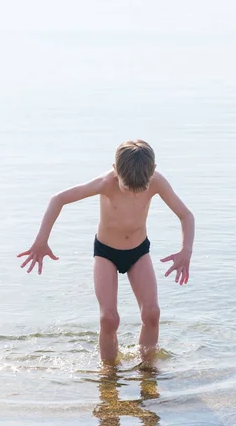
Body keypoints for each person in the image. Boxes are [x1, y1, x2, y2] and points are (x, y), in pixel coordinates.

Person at [17, 140, 194, 365]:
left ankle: (148, 370)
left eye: (140, 189)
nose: (133, 194)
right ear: (115, 169)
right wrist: (41, 240)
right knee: (109, 319)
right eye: (126, 188)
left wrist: (185, 250)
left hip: (139, 252)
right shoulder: (104, 183)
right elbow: (58, 199)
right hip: (106, 253)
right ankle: (109, 376)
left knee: (152, 313)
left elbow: (186, 215)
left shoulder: (156, 182)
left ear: (153, 171)